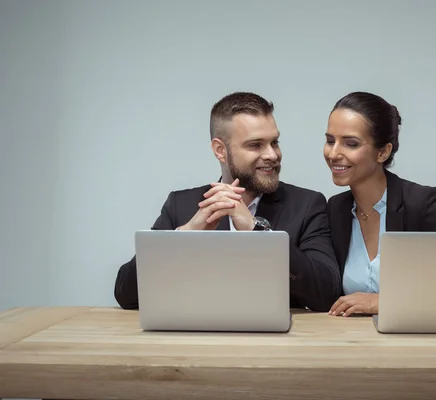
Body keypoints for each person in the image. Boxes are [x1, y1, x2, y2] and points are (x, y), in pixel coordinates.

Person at [114, 92, 341, 312]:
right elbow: (126, 294)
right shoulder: (181, 205)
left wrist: (258, 231)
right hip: (195, 340)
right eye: (255, 145)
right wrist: (184, 235)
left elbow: (327, 293)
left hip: (274, 344)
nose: (272, 154)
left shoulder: (307, 204)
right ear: (220, 150)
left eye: (274, 142)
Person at [324, 91, 436, 317]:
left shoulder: (424, 204)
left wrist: (382, 302)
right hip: (353, 344)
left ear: (383, 152)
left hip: (420, 342)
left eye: (350, 143)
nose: (333, 153)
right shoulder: (336, 209)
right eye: (330, 140)